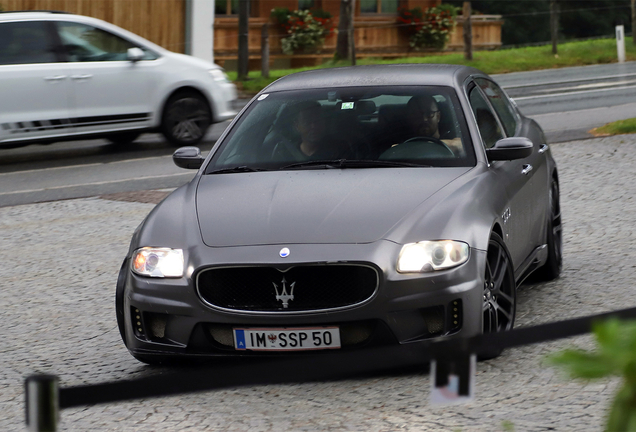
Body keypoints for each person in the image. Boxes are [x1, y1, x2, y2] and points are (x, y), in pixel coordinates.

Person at [271, 101, 350, 162]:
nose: (313, 126)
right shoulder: (284, 153)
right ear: (297, 126)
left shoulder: (339, 150)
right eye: (307, 122)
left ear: (324, 123)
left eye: (317, 121)